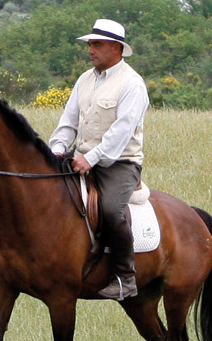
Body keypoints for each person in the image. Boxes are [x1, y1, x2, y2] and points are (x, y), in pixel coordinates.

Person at [47, 18, 149, 301]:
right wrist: (57, 149)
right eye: (90, 44)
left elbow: (122, 131)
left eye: (97, 44)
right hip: (79, 157)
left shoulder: (132, 84)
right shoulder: (85, 79)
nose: (90, 50)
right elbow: (68, 121)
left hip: (119, 164)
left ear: (116, 48)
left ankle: (125, 277)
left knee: (111, 210)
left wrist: (91, 159)